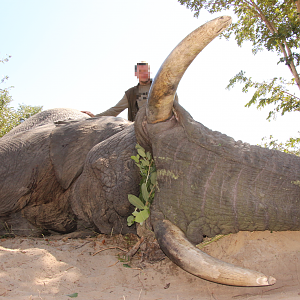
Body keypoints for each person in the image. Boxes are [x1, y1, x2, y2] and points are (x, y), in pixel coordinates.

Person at [82, 62, 178, 121]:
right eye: (141, 72)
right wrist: (95, 116)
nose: (144, 74)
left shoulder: (162, 87)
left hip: (162, 125)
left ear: (149, 72)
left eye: (146, 71)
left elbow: (175, 104)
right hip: (140, 130)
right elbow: (115, 110)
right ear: (136, 74)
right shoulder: (131, 94)